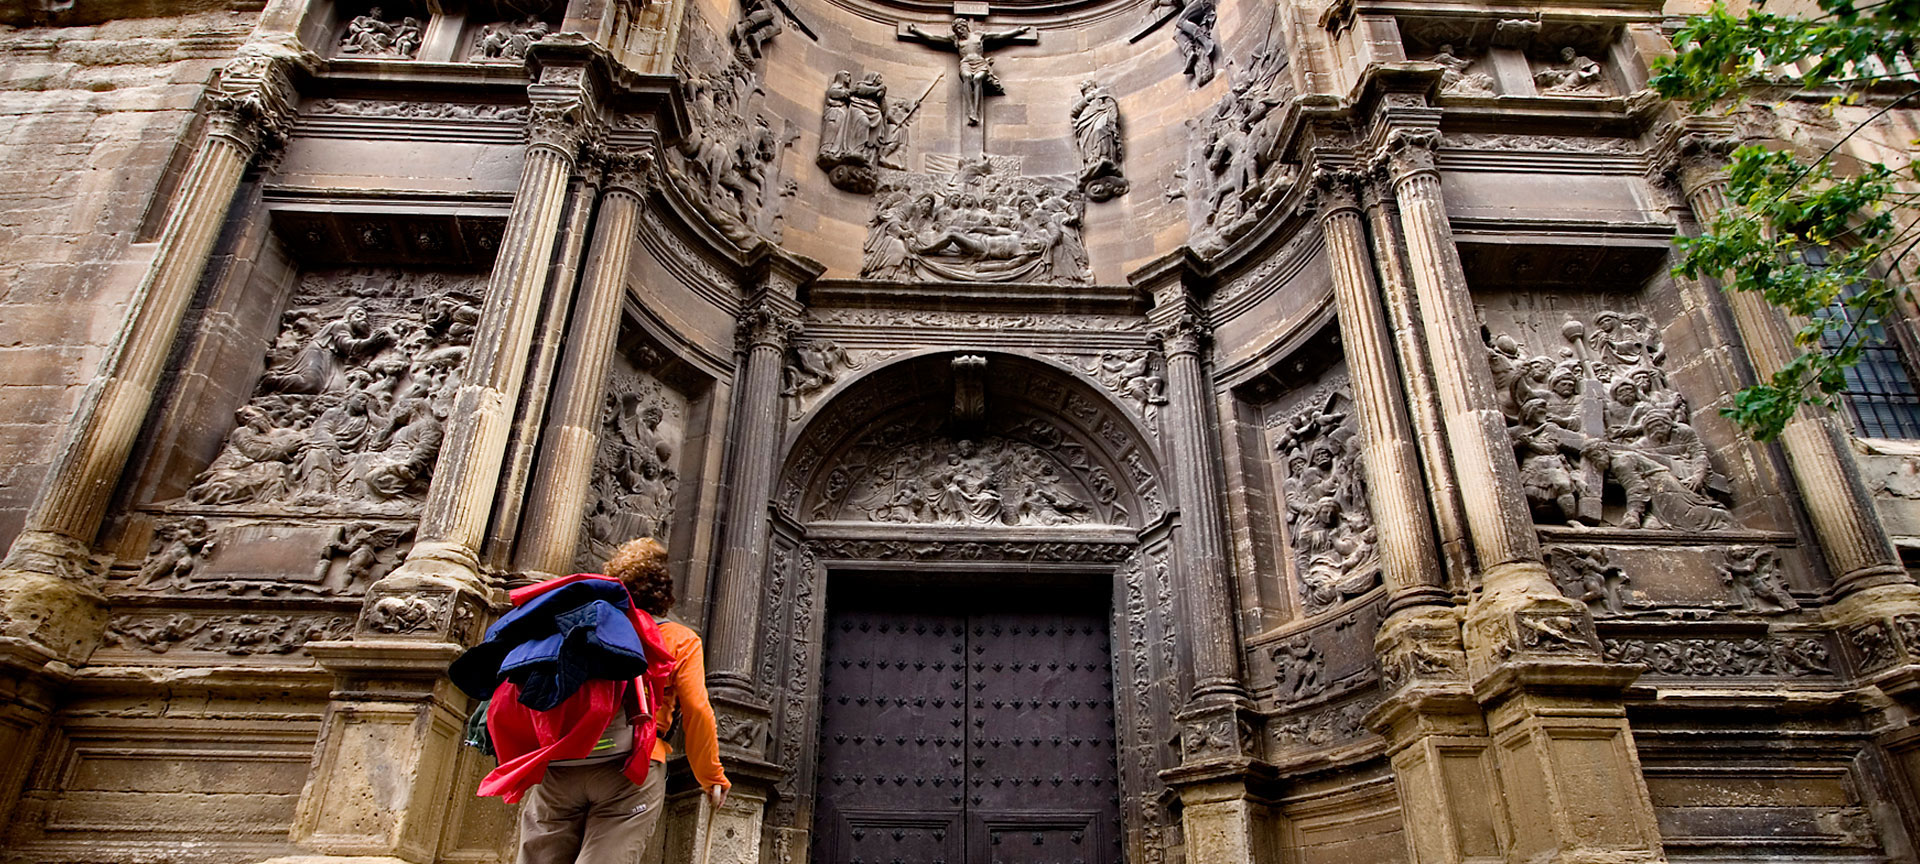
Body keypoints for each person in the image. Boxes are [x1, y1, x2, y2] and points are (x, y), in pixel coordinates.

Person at [479, 539, 730, 864]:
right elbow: (697, 709)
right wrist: (711, 776)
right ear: (665, 591)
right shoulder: (680, 639)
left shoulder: (580, 625)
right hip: (630, 767)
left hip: (564, 761)